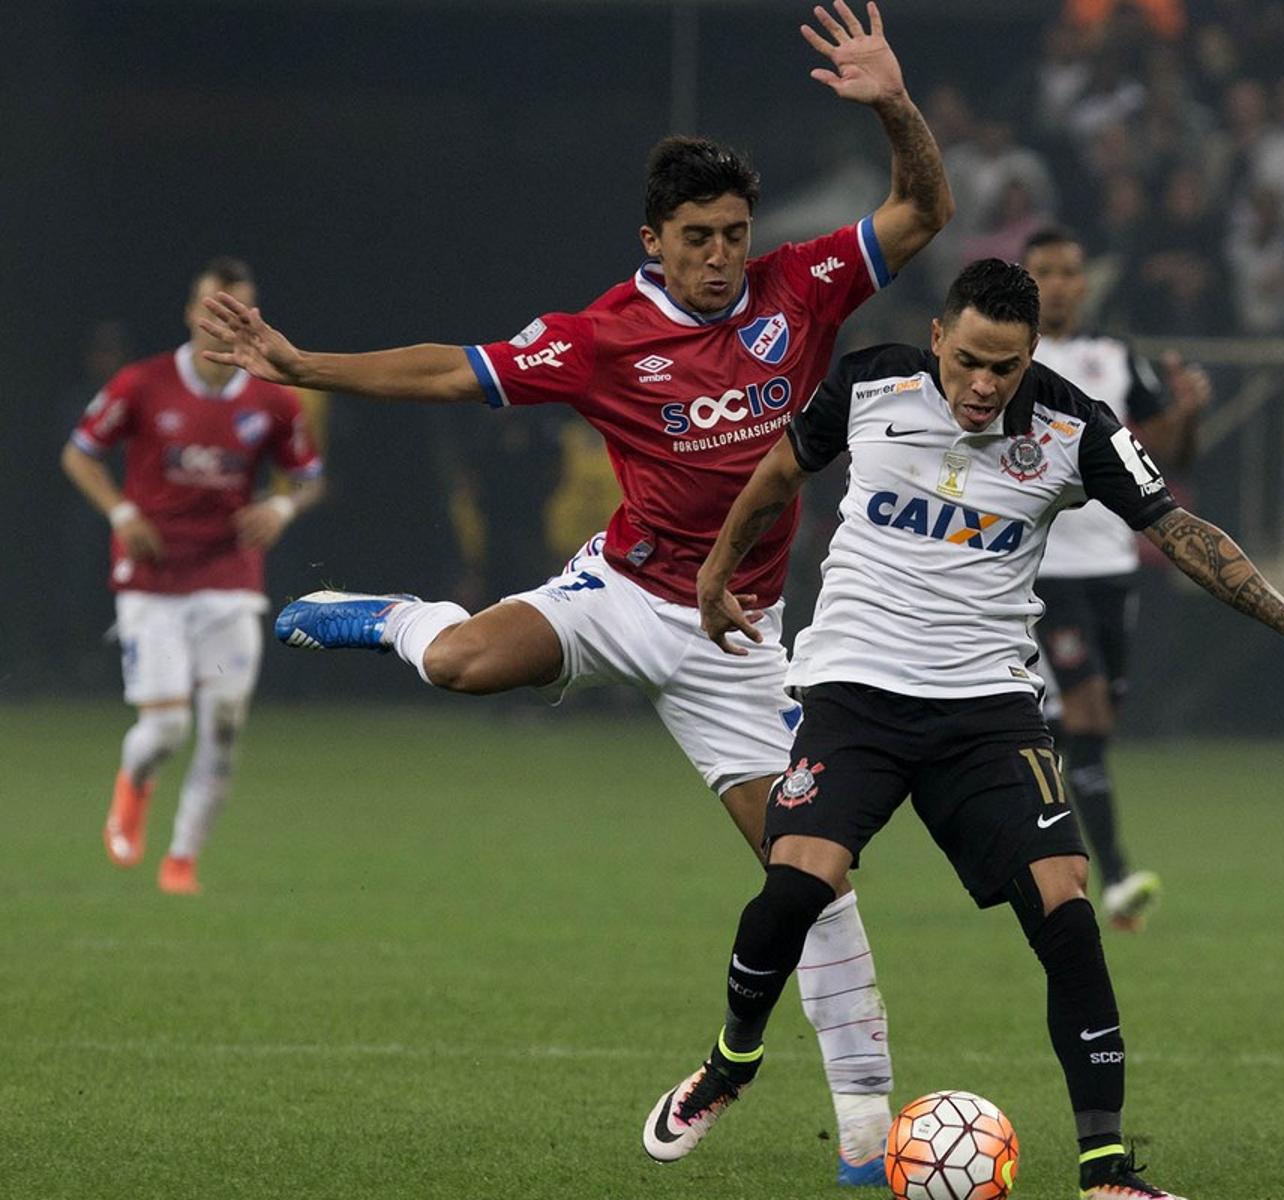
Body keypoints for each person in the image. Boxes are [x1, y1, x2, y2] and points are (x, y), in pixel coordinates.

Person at [195, 3, 951, 1183]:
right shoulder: (603, 337)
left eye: (734, 233)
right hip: (622, 592)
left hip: (738, 640)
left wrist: (894, 104)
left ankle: (862, 1144)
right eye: (697, 235)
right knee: (455, 666)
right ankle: (385, 616)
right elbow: (454, 371)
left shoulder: (799, 291)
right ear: (653, 240)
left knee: (813, 875)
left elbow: (923, 211)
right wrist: (303, 364)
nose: (719, 255)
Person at [640, 260, 1284, 1200]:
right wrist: (716, 572)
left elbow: (1178, 529)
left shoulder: (1076, 425)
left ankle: (1106, 1169)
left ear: (1031, 354)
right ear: (936, 338)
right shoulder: (868, 381)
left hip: (987, 713)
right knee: (799, 882)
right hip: (855, 692)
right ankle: (731, 1062)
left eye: (1004, 367)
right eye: (966, 362)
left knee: (1067, 909)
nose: (983, 386)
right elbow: (776, 472)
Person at [61, 257, 326, 895]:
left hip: (229, 577)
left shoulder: (271, 398)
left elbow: (310, 477)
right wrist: (123, 512)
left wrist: (281, 506)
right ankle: (135, 784)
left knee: (226, 723)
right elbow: (80, 453)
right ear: (192, 313)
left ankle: (182, 859)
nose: (227, 320)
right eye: (216, 307)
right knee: (167, 728)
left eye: (241, 309)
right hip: (152, 577)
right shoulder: (142, 384)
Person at [1020, 225, 1210, 930]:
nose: (1062, 283)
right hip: (1042, 571)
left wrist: (1188, 413)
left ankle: (1025, 824)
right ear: (1025, 277)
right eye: (1046, 270)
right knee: (1090, 712)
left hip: (1113, 567)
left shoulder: (1113, 357)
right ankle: (1116, 875)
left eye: (1071, 270)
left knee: (1084, 727)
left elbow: (1169, 458)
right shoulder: (1007, 356)